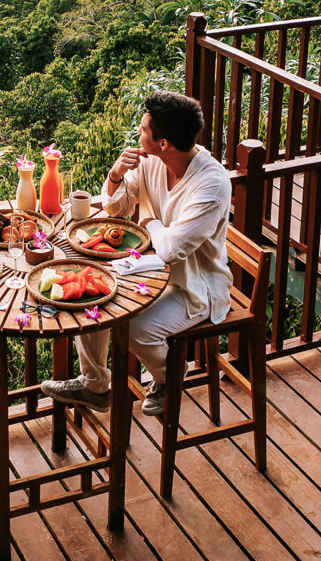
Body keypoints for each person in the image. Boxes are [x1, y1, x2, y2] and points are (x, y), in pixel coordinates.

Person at [41, 91, 232, 416]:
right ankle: (95, 384)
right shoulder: (151, 161)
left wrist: (151, 220)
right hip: (151, 269)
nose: (138, 134)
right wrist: (115, 175)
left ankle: (168, 377)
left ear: (163, 143)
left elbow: (172, 249)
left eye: (144, 129)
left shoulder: (211, 186)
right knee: (92, 293)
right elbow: (117, 208)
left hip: (195, 288)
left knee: (135, 330)